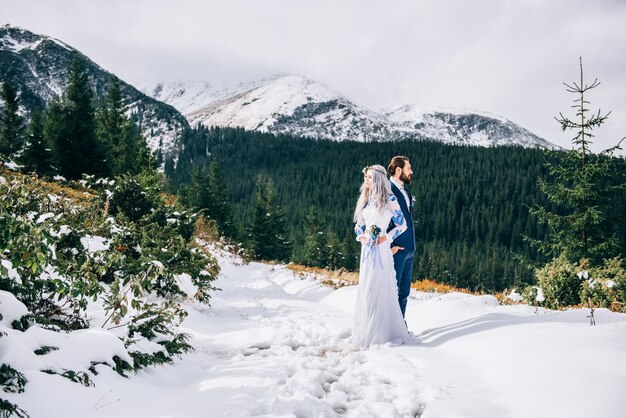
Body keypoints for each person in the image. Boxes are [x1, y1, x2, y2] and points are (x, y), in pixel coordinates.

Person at [352, 164, 414, 348]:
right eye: (366, 177)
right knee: (367, 287)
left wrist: (385, 238)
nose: (366, 180)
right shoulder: (365, 199)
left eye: (370, 177)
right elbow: (358, 225)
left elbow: (402, 225)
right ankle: (366, 327)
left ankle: (380, 331)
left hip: (381, 249)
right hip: (367, 250)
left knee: (379, 287)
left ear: (378, 179)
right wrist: (361, 236)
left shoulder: (390, 198)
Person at [387, 156, 415, 318]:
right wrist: (390, 246)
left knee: (404, 292)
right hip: (396, 249)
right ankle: (390, 326)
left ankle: (401, 325)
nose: (411, 172)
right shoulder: (388, 190)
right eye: (408, 168)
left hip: (409, 248)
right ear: (399, 170)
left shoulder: (405, 190)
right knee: (392, 291)